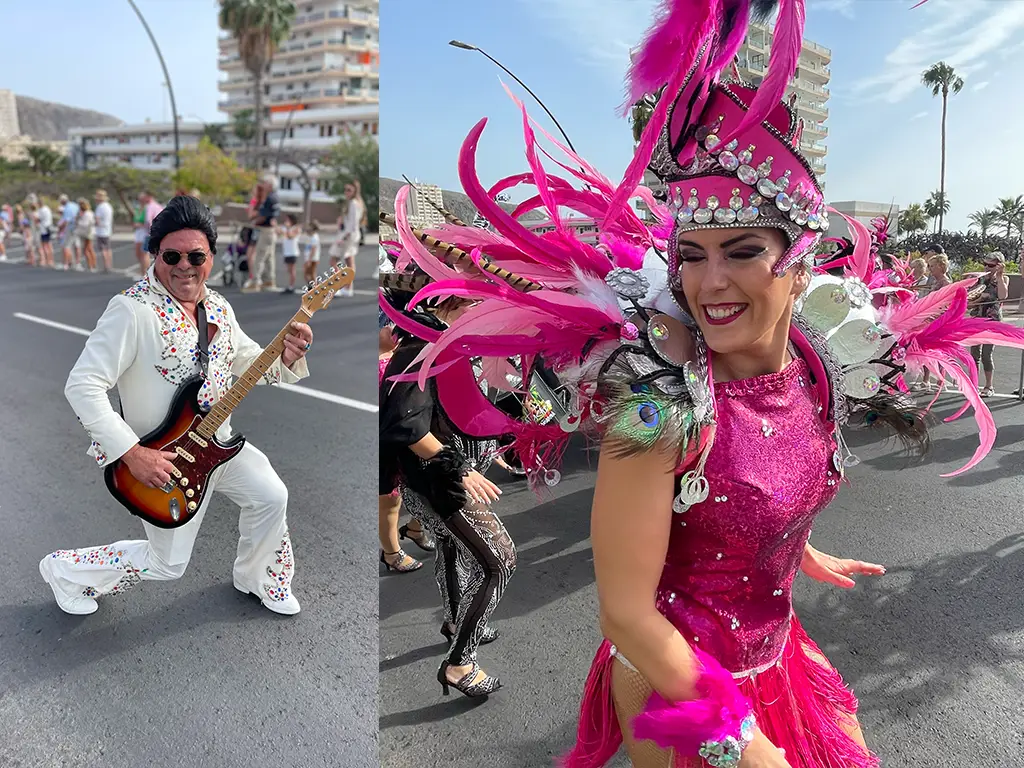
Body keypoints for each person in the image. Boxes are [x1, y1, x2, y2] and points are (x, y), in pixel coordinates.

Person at [383, 0, 1024, 762]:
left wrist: (790, 546)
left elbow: (759, 489)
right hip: (676, 686)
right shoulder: (658, 405)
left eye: (742, 251)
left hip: (777, 651)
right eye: (691, 254)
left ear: (799, 264)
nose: (709, 281)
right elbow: (625, 615)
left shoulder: (819, 366)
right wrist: (748, 747)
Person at [39, 195, 314, 617]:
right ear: (155, 255)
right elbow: (83, 385)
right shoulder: (131, 310)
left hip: (219, 444)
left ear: (211, 257)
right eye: (172, 255)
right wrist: (133, 454)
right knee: (167, 565)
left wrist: (288, 356)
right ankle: (66, 571)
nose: (184, 265)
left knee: (271, 496)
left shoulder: (219, 306)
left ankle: (259, 577)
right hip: (163, 459)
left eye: (196, 255)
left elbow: (248, 361)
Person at [379, 279, 513, 699]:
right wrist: (460, 470)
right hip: (441, 483)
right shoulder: (421, 344)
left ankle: (457, 622)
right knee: (500, 561)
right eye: (478, 301)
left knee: (453, 550)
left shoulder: (449, 339)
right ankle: (459, 663)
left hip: (449, 476)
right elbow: (405, 424)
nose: (487, 310)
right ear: (451, 300)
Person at [378, 321, 430, 574]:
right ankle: (391, 553)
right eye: (385, 325)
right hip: (386, 446)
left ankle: (415, 528)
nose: (393, 330)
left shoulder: (405, 355)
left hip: (412, 439)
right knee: (391, 503)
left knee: (425, 490)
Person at [968, 251, 1009, 397]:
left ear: (998, 265)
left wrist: (999, 275)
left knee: (986, 354)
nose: (986, 267)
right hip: (976, 319)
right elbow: (970, 298)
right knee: (974, 354)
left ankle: (989, 386)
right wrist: (975, 301)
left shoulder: (1003, 279)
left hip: (992, 321)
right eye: (985, 264)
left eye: (990, 265)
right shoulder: (979, 279)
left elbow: (1003, 296)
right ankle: (973, 384)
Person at [244, 175, 281, 293]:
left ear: (270, 185)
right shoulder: (276, 197)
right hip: (271, 231)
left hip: (266, 231)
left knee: (259, 256)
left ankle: (255, 282)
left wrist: (255, 222)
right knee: (269, 257)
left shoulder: (270, 198)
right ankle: (269, 280)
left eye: (265, 183)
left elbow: (263, 215)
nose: (263, 185)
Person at [332, 181, 363, 297]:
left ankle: (343, 286)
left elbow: (353, 224)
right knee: (349, 261)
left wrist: (345, 236)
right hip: (350, 234)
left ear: (355, 191)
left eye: (349, 190)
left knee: (335, 260)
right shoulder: (353, 203)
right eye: (345, 190)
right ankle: (347, 287)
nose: (346, 192)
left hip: (349, 235)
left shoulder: (354, 204)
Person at [277, 213, 302, 293]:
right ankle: (290, 285)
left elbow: (290, 236)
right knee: (289, 270)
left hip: (293, 252)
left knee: (292, 270)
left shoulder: (296, 228)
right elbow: (279, 232)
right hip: (287, 252)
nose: (286, 221)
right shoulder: (285, 228)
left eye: (287, 219)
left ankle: (291, 286)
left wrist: (287, 228)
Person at [57, 194, 81, 271]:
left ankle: (66, 263)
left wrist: (61, 230)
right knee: (77, 245)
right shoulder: (75, 205)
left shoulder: (67, 208)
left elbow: (66, 221)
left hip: (70, 228)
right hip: (77, 227)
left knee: (66, 246)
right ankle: (77, 263)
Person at [94, 189, 115, 272]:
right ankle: (110, 264)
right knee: (108, 248)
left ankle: (106, 265)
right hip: (107, 229)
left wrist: (95, 224)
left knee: (103, 249)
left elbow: (97, 220)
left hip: (101, 230)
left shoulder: (100, 207)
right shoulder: (108, 206)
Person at [75, 198, 97, 272]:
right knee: (90, 249)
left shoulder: (86, 214)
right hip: (89, 232)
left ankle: (91, 266)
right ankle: (93, 265)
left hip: (87, 232)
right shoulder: (89, 213)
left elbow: (85, 224)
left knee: (86, 250)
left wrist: (78, 221)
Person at [303, 220, 321, 285]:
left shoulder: (314, 238)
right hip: (310, 258)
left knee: (310, 274)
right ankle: (313, 286)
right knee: (309, 274)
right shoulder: (311, 236)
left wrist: (309, 260)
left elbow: (313, 250)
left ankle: (315, 287)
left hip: (312, 259)